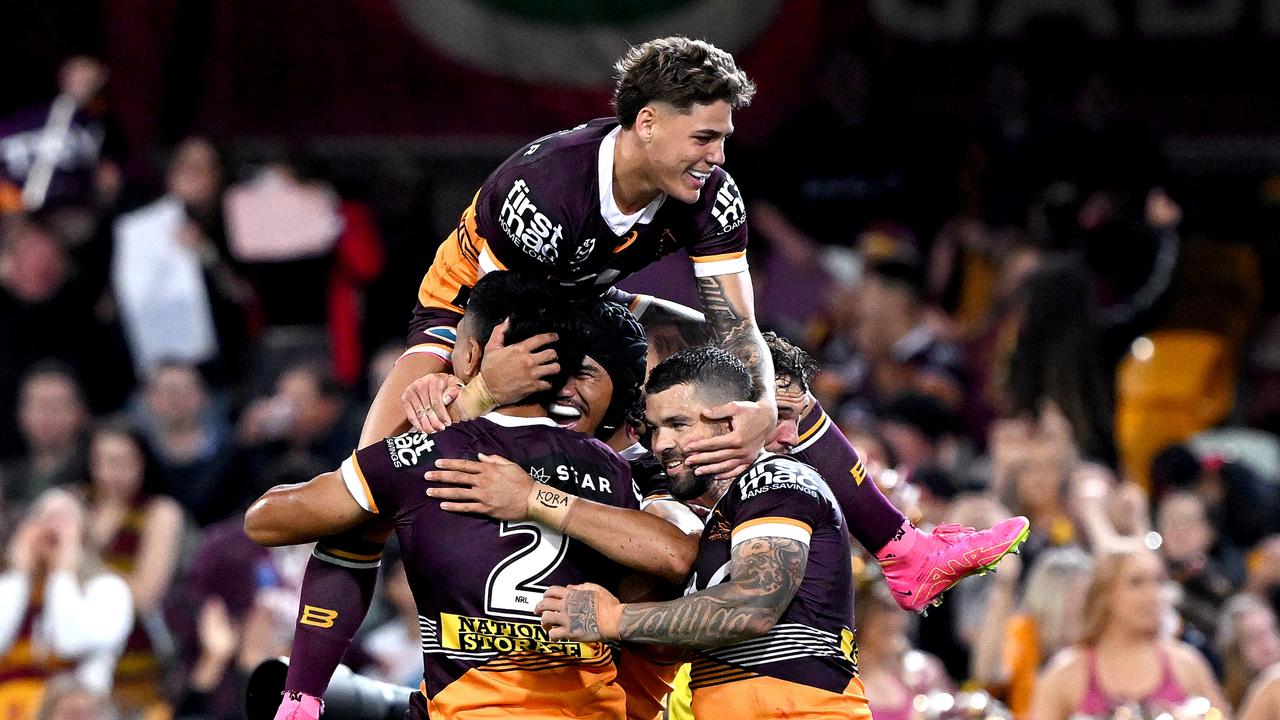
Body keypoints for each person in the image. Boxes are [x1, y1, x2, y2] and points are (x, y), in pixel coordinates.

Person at [245, 274, 678, 720]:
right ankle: (304, 697)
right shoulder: (616, 470)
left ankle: (301, 700)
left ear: (470, 355)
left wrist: (529, 492)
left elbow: (265, 519)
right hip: (602, 707)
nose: (569, 389)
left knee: (358, 513)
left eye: (586, 375)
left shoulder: (430, 453)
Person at [519, 345, 867, 718]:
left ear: (732, 422)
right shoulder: (725, 514)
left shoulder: (776, 478)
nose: (661, 444)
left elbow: (754, 606)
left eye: (679, 424)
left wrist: (613, 618)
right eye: (654, 429)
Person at [1028, 544, 1230, 720]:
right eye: (1137, 582)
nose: (1153, 595)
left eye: (1159, 582)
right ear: (1105, 594)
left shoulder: (1187, 664)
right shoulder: (1067, 672)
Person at [0, 489, 133, 720]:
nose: (52, 528)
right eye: (45, 517)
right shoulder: (11, 586)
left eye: (64, 519)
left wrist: (62, 573)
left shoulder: (109, 589)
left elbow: (70, 641)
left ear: (84, 532)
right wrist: (18, 573)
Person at [84, 422, 184, 716]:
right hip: (73, 665)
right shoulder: (75, 502)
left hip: (135, 664)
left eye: (121, 462)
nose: (109, 473)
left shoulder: (160, 512)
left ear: (142, 463)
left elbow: (142, 597)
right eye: (101, 462)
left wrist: (80, 560)